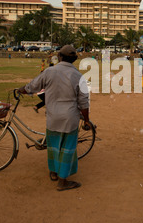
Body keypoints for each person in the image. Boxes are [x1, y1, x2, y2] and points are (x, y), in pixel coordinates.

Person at [17, 45, 90, 191]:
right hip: (70, 118)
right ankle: (63, 182)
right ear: (73, 60)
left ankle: (53, 172)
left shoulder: (49, 71)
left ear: (60, 57)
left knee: (53, 147)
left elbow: (32, 86)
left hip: (53, 116)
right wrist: (87, 120)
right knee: (67, 149)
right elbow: (84, 102)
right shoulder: (78, 76)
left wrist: (21, 90)